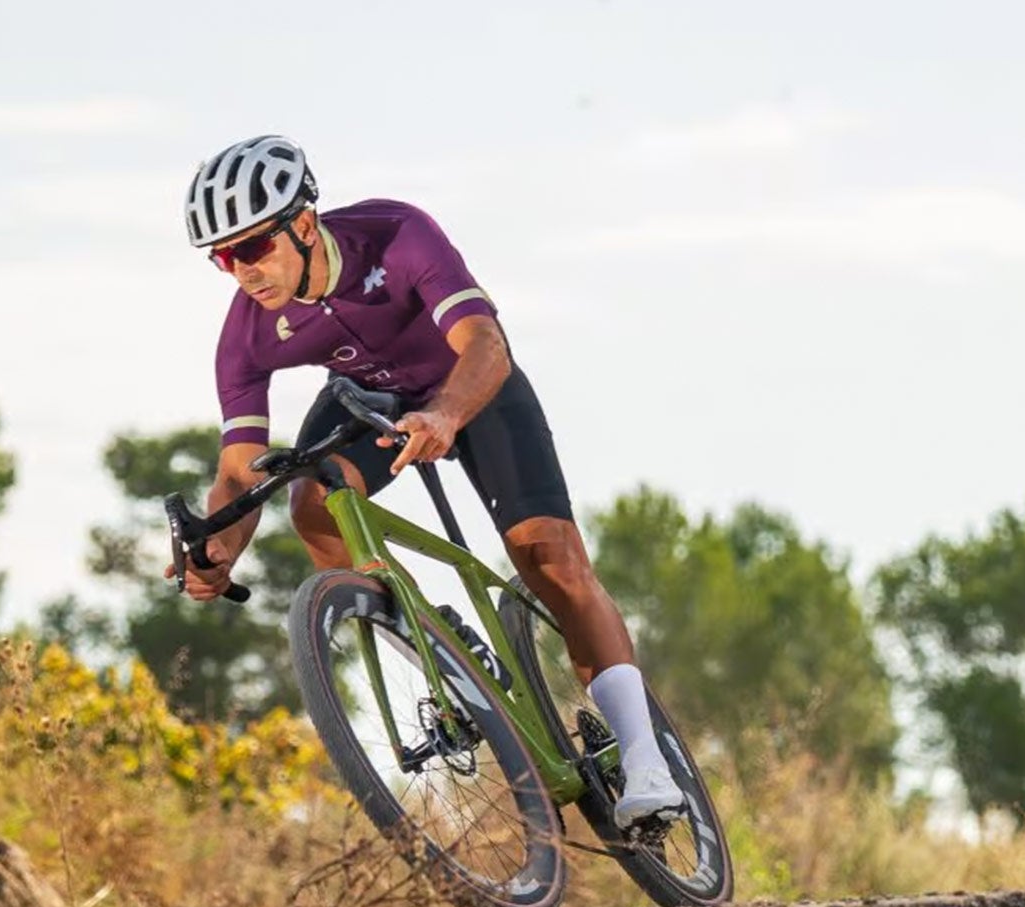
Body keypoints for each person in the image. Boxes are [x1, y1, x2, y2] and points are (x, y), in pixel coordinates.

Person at [168, 134, 684, 828]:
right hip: (370, 396)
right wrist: (221, 550)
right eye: (223, 258)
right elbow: (237, 471)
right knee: (310, 501)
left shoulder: (396, 234)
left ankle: (648, 759)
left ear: (303, 221)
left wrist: (444, 413)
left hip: (470, 382)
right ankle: (432, 642)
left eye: (254, 247)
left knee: (548, 558)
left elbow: (485, 344)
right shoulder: (248, 332)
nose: (242, 272)